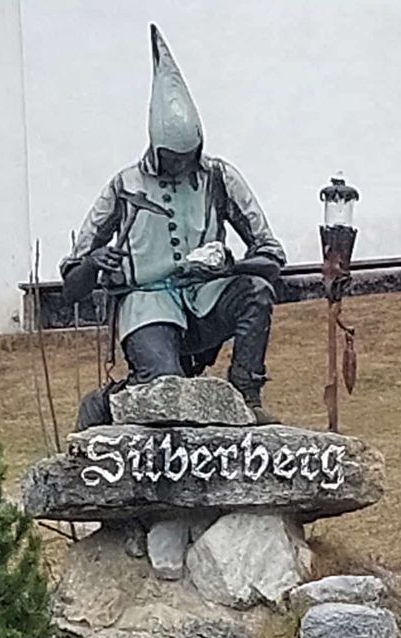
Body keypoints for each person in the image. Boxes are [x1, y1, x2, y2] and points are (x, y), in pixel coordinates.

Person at [61, 25, 286, 428]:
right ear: (155, 148)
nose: (181, 165)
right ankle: (109, 402)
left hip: (208, 297)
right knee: (165, 391)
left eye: (188, 156)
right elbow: (72, 285)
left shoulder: (219, 178)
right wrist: (95, 262)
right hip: (147, 303)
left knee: (256, 292)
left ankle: (246, 396)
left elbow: (271, 257)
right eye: (172, 158)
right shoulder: (124, 186)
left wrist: (230, 266)